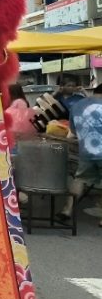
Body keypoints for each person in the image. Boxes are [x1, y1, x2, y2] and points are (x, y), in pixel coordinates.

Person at [57, 84, 102, 226]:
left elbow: (74, 132)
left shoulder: (77, 106)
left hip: (86, 151)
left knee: (80, 179)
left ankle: (67, 210)